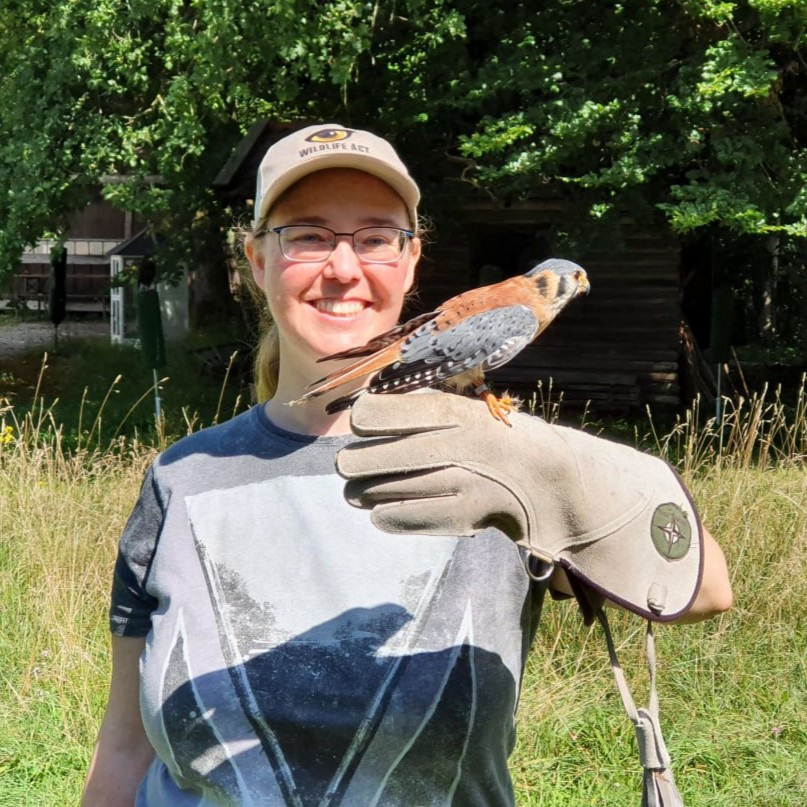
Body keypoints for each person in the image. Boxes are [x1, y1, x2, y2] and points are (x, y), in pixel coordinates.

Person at [82, 124, 732, 807]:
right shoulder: (181, 478)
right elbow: (125, 747)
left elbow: (702, 591)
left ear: (411, 259)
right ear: (256, 259)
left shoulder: (500, 468)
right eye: (305, 234)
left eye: (374, 237)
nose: (342, 267)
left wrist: (558, 465)